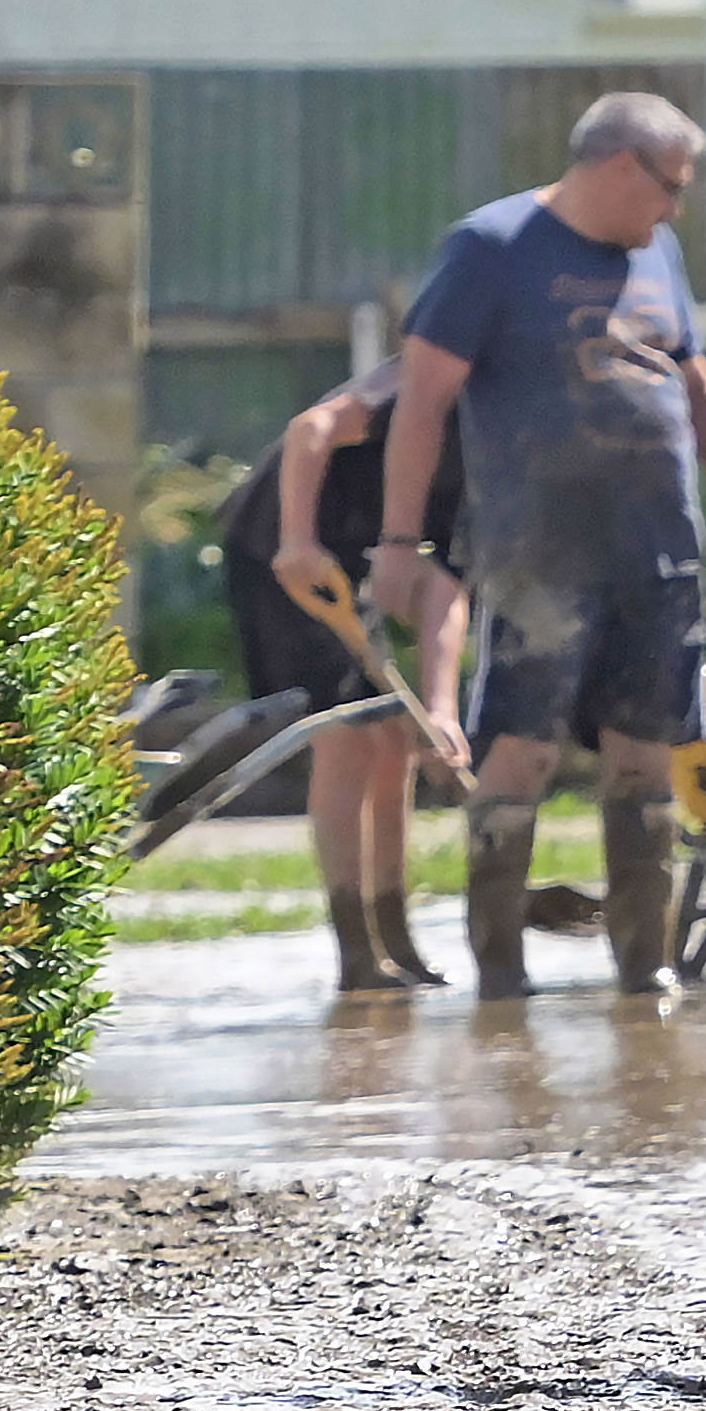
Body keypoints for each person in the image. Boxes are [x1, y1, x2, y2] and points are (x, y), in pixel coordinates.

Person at [373, 94, 706, 1002]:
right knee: (520, 749)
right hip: (539, 555)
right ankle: (500, 972)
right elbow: (422, 401)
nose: (675, 209)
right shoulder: (490, 248)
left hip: (658, 550)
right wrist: (400, 541)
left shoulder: (656, 253)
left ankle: (646, 966)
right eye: (669, 188)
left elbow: (695, 380)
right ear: (617, 167)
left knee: (647, 753)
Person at [233, 352, 470, 994]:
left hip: (350, 555)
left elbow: (446, 583)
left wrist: (442, 709)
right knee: (348, 739)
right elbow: (312, 428)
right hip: (280, 549)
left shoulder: (489, 441)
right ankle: (355, 953)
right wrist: (297, 539)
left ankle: (396, 935)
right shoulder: (424, 386)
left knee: (397, 740)